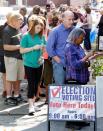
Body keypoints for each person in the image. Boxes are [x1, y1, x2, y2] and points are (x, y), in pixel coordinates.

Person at [65, 28, 96, 129]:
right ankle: (71, 123)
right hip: (74, 78)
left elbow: (83, 61)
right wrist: (87, 57)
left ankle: (80, 120)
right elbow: (75, 65)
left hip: (82, 77)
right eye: (82, 38)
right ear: (76, 37)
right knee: (74, 102)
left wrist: (92, 57)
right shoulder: (70, 47)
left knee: (80, 102)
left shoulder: (78, 46)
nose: (83, 40)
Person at [20, 16, 46, 115]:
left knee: (37, 84)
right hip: (29, 64)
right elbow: (21, 50)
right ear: (33, 26)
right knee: (31, 83)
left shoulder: (41, 36)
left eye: (40, 28)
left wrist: (43, 48)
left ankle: (33, 102)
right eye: (37, 28)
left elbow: (45, 47)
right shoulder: (26, 36)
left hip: (39, 63)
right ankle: (30, 106)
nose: (39, 30)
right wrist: (33, 48)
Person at [46, 11, 74, 84]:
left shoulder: (73, 30)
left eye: (72, 19)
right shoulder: (55, 31)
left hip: (71, 64)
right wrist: (58, 60)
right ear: (63, 19)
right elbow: (49, 48)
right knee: (59, 87)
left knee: (69, 87)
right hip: (60, 63)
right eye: (69, 19)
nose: (71, 22)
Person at [3, 12, 24, 106]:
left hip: (19, 57)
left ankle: (16, 95)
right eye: (20, 21)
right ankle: (8, 97)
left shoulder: (17, 29)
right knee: (10, 78)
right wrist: (20, 46)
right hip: (11, 58)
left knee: (18, 78)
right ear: (14, 21)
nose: (22, 23)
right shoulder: (7, 30)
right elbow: (6, 47)